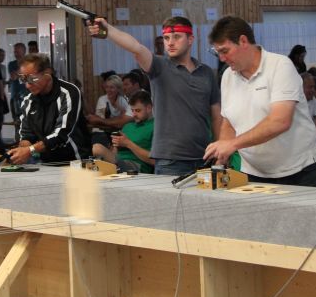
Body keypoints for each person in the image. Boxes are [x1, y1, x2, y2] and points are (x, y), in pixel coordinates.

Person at [88, 15, 222, 176]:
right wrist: (108, 29)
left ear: (190, 39)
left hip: (204, 157)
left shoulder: (206, 72)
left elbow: (216, 115)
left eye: (177, 37)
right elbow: (135, 47)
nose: (170, 42)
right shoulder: (159, 66)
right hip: (170, 161)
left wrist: (220, 150)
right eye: (166, 38)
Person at [203, 16, 316, 186]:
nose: (221, 58)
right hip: (253, 171)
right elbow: (229, 122)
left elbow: (280, 121)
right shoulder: (228, 76)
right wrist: (222, 154)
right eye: (217, 53)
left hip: (297, 170)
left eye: (225, 51)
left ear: (243, 41)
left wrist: (232, 144)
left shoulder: (280, 66)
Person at [7, 53, 90, 164]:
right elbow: (27, 135)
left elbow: (61, 135)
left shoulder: (68, 92)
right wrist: (21, 151)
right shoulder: (28, 100)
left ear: (47, 73)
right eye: (23, 79)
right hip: (46, 163)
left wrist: (29, 150)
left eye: (31, 79)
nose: (27, 85)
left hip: (75, 161)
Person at [92, 90, 155, 173]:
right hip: (118, 162)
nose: (134, 114)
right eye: (132, 110)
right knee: (94, 153)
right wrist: (116, 146)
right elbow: (115, 154)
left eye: (138, 110)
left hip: (137, 166)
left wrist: (128, 144)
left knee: (97, 149)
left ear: (149, 108)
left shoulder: (155, 126)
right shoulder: (128, 126)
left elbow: (154, 161)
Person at [87, 74, 133, 154]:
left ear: (118, 89)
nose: (108, 90)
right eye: (107, 87)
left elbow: (124, 120)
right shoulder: (102, 100)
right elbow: (100, 121)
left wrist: (117, 116)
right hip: (100, 131)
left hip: (115, 132)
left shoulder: (122, 100)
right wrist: (117, 121)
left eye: (112, 87)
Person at [7, 42, 27, 124]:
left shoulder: (30, 64)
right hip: (15, 96)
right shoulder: (11, 64)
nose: (16, 54)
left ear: (24, 51)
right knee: (17, 122)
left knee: (27, 122)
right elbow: (13, 77)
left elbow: (32, 79)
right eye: (15, 52)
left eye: (18, 52)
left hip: (27, 96)